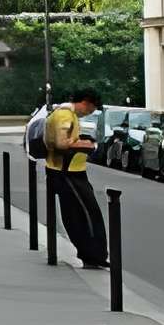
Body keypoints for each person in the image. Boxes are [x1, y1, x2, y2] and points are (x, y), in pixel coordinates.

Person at [46, 86, 108, 268]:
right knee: (84, 214)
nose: (89, 113)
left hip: (70, 170)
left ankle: (93, 254)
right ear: (85, 102)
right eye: (90, 109)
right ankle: (92, 254)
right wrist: (85, 143)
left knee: (80, 214)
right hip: (66, 171)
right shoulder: (65, 115)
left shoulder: (67, 115)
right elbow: (61, 143)